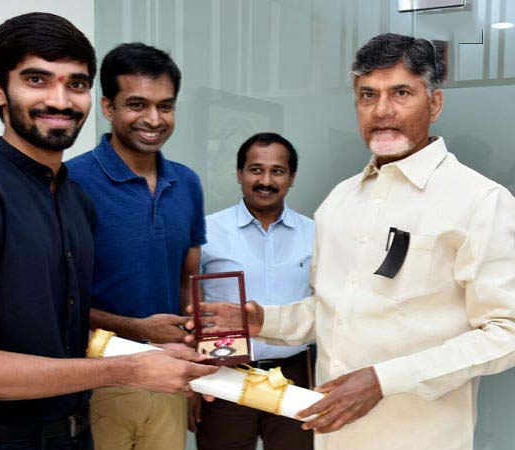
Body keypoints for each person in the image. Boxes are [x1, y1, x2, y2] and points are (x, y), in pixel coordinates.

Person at [189, 33, 515, 450]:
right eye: (367, 95)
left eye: (401, 93)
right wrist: (260, 320)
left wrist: (382, 381)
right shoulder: (339, 201)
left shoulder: (479, 201)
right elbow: (332, 311)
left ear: (434, 104)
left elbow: (503, 333)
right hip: (333, 436)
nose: (382, 111)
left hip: (420, 437)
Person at [0, 14, 216, 450]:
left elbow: (63, 327)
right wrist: (129, 367)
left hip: (73, 434)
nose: (61, 100)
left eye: (75, 84)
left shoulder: (73, 199)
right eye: (37, 79)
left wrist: (178, 355)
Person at [67, 43, 206, 450]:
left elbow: (189, 279)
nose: (153, 119)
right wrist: (136, 329)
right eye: (137, 104)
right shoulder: (71, 182)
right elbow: (57, 300)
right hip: (96, 377)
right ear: (108, 108)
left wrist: (193, 362)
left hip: (169, 374)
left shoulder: (188, 183)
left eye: (166, 106)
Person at [191, 132, 314, 450]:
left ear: (292, 177)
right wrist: (192, 381)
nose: (266, 181)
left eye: (277, 171)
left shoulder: (314, 234)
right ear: (239, 173)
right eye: (256, 169)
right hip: (225, 374)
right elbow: (189, 306)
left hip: (293, 377)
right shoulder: (208, 232)